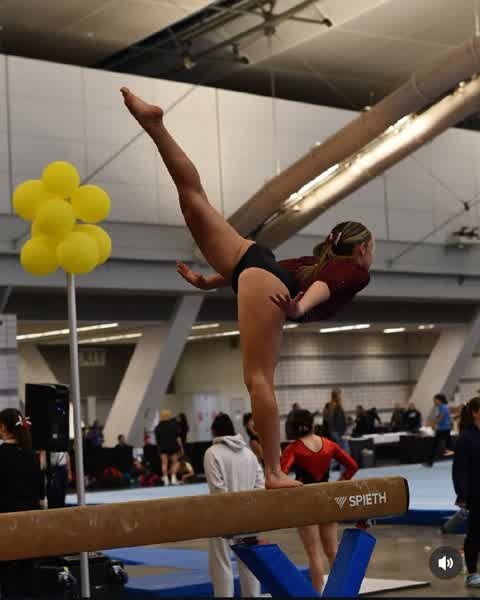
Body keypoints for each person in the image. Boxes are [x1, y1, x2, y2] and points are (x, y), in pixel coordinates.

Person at [121, 87, 374, 489]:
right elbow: (328, 285)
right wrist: (299, 308)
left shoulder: (314, 261)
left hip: (249, 258)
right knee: (259, 378)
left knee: (193, 199)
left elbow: (269, 271)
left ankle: (156, 128)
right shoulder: (353, 270)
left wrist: (210, 281)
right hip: (261, 278)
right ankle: (273, 472)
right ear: (362, 249)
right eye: (370, 250)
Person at [280, 409, 358, 592]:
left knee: (314, 553)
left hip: (306, 501)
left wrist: (295, 484)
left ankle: (317, 593)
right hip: (327, 498)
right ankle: (341, 592)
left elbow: (281, 475)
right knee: (332, 551)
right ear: (312, 424)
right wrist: (340, 482)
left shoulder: (294, 448)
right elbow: (352, 466)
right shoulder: (329, 444)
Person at [204, 413, 264, 597]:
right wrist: (248, 508)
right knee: (249, 562)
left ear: (214, 431)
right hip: (249, 516)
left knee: (221, 562)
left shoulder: (212, 453)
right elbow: (260, 486)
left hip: (223, 515)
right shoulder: (249, 454)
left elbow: (217, 489)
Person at [0, 409, 45, 597]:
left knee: (6, 569)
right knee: (28, 567)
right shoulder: (32, 454)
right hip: (30, 519)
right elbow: (41, 492)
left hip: (6, 519)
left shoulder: (1, 454)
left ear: (3, 427)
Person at [452, 397, 480, 588]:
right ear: (475, 413)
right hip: (476, 494)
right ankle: (472, 573)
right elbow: (459, 470)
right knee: (476, 533)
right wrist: (462, 495)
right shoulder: (466, 438)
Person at [154, 409, 183, 485]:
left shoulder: (157, 427)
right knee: (175, 462)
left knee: (164, 463)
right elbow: (178, 438)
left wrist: (159, 448)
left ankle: (166, 480)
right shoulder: (174, 425)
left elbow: (157, 440)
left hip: (162, 447)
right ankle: (173, 478)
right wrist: (181, 447)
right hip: (173, 446)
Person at [426, 393, 453, 467]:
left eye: (435, 400)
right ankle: (430, 462)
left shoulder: (443, 407)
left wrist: (430, 424)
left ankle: (430, 462)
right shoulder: (440, 407)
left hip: (444, 429)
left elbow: (440, 418)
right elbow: (438, 418)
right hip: (442, 429)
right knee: (448, 445)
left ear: (439, 400)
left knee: (435, 446)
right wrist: (433, 424)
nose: (434, 402)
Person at [327, 389, 349, 469]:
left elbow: (331, 420)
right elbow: (338, 421)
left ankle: (327, 466)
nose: (341, 396)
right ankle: (328, 466)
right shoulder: (337, 406)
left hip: (335, 431)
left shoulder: (332, 405)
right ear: (337, 396)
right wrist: (342, 433)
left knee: (341, 452)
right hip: (338, 431)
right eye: (339, 394)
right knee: (344, 452)